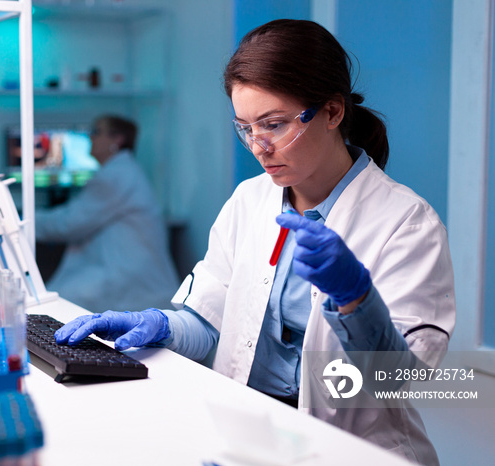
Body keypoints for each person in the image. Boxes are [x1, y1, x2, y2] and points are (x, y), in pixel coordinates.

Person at [53, 19, 456, 464]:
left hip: (355, 452)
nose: (259, 146)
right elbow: (209, 326)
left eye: (275, 124)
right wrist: (161, 325)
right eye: (245, 128)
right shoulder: (249, 201)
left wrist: (356, 301)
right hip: (250, 436)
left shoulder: (406, 222)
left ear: (333, 112)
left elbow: (405, 382)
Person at [35, 115, 180, 313]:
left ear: (117, 140)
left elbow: (68, 224)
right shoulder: (122, 171)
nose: (90, 138)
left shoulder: (117, 176)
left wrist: (23, 220)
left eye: (96, 132)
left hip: (130, 281)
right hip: (127, 274)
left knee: (52, 305)